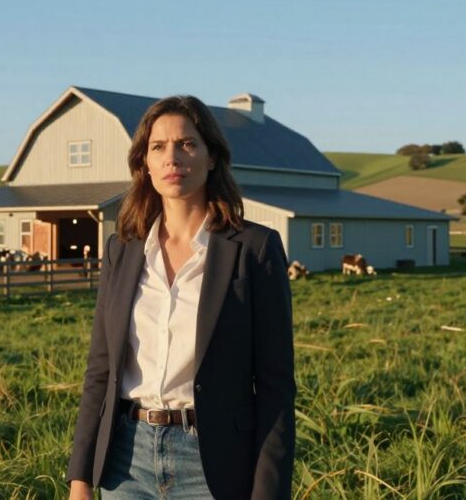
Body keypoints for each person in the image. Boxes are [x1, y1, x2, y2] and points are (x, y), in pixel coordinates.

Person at [66, 95, 295, 499]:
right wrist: (80, 478)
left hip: (213, 464)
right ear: (145, 164)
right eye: (158, 147)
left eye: (187, 144)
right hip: (125, 461)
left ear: (211, 157)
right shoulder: (122, 248)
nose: (172, 157)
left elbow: (276, 386)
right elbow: (100, 371)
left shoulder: (254, 248)